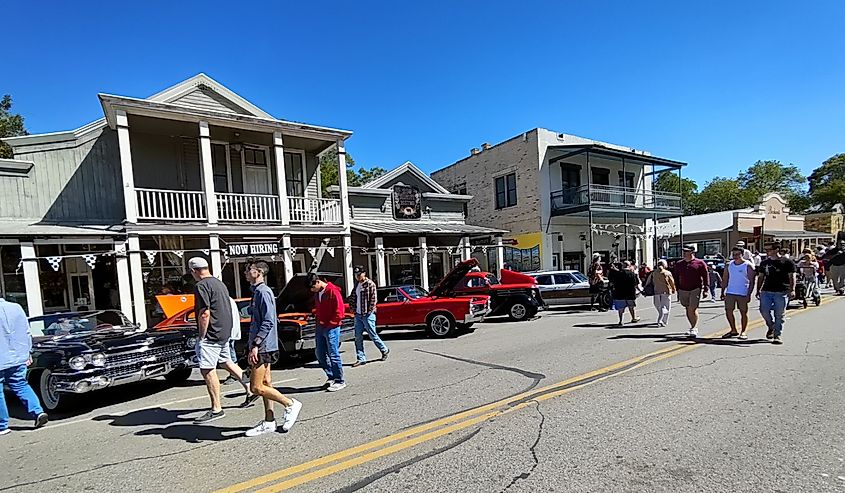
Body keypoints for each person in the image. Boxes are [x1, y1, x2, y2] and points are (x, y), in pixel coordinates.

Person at [242, 262, 301, 436]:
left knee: (256, 387)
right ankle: (269, 421)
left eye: (248, 270)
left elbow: (268, 321)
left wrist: (256, 344)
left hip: (263, 346)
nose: (245, 273)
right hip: (262, 345)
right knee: (266, 383)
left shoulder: (263, 292)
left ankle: (290, 404)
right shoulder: (257, 292)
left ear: (258, 272)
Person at [189, 257, 235, 424]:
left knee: (207, 369)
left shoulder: (201, 286)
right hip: (223, 330)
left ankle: (216, 408)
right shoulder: (219, 283)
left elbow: (204, 312)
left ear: (194, 271)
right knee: (226, 361)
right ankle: (250, 388)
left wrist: (202, 335)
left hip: (212, 332)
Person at [0, 296, 48, 435]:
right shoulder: (16, 307)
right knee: (21, 384)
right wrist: (28, 351)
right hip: (17, 355)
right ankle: (38, 412)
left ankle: (2, 425)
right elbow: (26, 331)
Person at [309, 273, 347, 392]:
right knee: (320, 353)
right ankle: (331, 376)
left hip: (332, 326)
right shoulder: (318, 293)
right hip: (321, 326)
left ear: (318, 282)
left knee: (333, 353)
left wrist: (331, 323)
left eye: (312, 287)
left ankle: (340, 380)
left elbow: (340, 311)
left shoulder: (332, 291)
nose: (312, 290)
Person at [756, 242, 796, 345]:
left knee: (779, 314)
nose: (767, 252)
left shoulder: (787, 262)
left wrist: (792, 290)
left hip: (781, 291)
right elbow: (761, 277)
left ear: (776, 249)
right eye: (765, 250)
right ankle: (771, 326)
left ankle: (777, 335)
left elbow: (792, 277)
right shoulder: (764, 263)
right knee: (764, 310)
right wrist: (758, 290)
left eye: (769, 250)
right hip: (766, 290)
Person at [350, 267, 389, 367]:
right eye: (356, 275)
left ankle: (384, 349)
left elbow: (373, 299)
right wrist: (353, 308)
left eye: (359, 274)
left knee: (372, 335)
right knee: (358, 337)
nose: (357, 276)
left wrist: (369, 311)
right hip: (358, 315)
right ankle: (361, 358)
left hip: (367, 315)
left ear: (364, 273)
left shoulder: (370, 284)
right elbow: (353, 297)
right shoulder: (357, 285)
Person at [673, 245, 709, 338]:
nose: (684, 253)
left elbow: (705, 276)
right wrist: (677, 289)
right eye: (684, 251)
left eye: (687, 251)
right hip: (683, 289)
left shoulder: (700, 263)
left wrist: (706, 289)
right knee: (687, 308)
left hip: (695, 289)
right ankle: (692, 326)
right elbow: (676, 277)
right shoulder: (679, 264)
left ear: (692, 252)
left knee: (692, 308)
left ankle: (694, 327)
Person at [720, 247, 756, 339]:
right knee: (728, 311)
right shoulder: (729, 265)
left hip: (742, 292)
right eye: (734, 254)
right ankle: (733, 330)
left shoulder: (748, 265)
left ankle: (743, 332)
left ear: (742, 254)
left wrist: (749, 294)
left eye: (737, 254)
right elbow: (725, 279)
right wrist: (722, 291)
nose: (735, 256)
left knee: (743, 312)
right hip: (730, 292)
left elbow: (752, 281)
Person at [607, 262, 641, 326]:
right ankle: (633, 318)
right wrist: (641, 291)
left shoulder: (617, 274)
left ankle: (621, 320)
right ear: (629, 266)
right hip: (630, 293)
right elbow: (636, 285)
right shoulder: (632, 274)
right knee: (631, 307)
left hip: (620, 293)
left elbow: (612, 283)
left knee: (620, 308)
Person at [648, 259, 676, 327]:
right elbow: (671, 282)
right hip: (666, 291)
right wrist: (674, 289)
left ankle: (661, 316)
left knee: (658, 305)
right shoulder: (667, 273)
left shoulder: (653, 273)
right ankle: (662, 320)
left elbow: (648, 282)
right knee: (666, 306)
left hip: (656, 291)